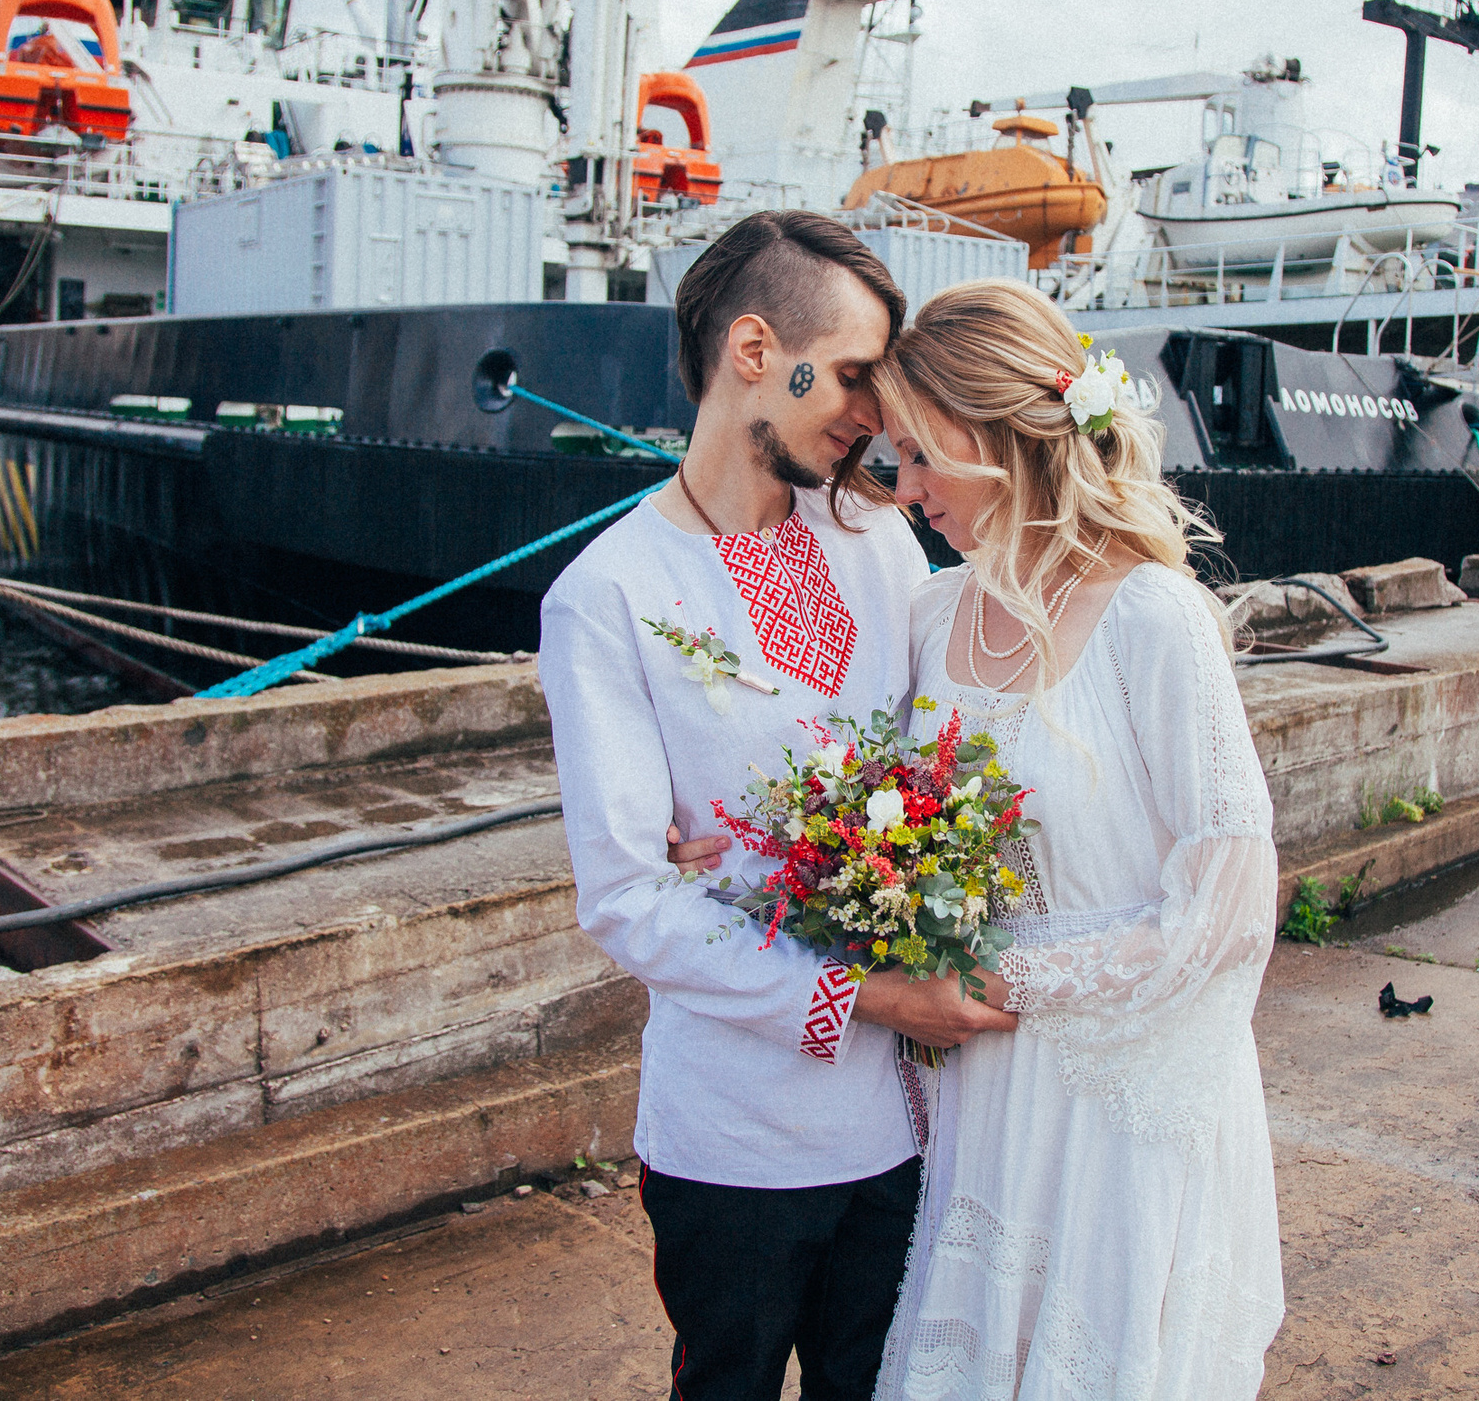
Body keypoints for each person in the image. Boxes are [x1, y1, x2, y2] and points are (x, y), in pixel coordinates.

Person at [539, 210, 1015, 1401]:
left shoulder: (877, 543)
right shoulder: (606, 596)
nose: (870, 415)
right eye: (853, 376)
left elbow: (943, 760)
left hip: (907, 1123)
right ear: (755, 350)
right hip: (736, 1135)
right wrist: (859, 992)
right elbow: (628, 899)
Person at [869, 277, 1285, 1400]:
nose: (905, 492)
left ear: (995, 434)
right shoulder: (929, 617)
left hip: (1119, 1087)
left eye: (918, 456)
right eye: (890, 461)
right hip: (987, 1090)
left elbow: (1231, 906)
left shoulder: (1152, 617)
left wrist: (1010, 980)